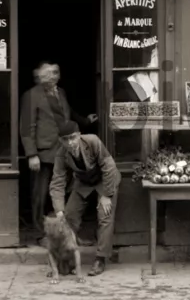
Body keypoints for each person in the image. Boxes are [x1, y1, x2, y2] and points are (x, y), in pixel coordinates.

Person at [20, 61, 98, 240]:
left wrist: (86, 121)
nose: (55, 76)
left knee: (66, 189)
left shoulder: (61, 92)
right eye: (50, 73)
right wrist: (32, 154)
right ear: (40, 76)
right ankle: (40, 233)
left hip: (64, 150)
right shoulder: (31, 95)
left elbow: (68, 114)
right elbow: (26, 127)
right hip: (43, 152)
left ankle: (64, 229)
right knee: (40, 195)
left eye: (57, 72)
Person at [50, 120, 121, 277]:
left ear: (79, 135)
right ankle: (66, 261)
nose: (70, 143)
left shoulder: (93, 141)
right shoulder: (61, 154)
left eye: (73, 138)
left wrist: (107, 195)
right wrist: (59, 210)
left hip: (105, 179)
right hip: (84, 182)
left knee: (105, 215)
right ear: (60, 141)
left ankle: (101, 259)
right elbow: (57, 182)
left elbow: (109, 167)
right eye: (65, 139)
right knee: (68, 217)